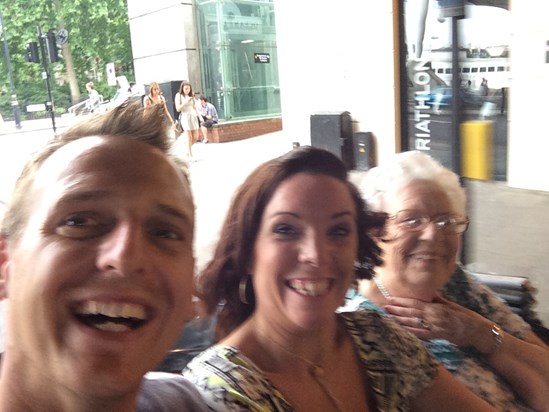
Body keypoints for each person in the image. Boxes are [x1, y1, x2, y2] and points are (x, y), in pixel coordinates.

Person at [183, 146, 496, 411]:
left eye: (338, 231)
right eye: (286, 230)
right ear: (248, 252)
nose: (316, 255)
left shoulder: (378, 338)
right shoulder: (218, 392)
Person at [0, 101, 208, 411]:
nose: (126, 257)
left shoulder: (188, 403)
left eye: (165, 233)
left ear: (191, 285)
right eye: (78, 222)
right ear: (6, 266)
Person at [349, 150, 549, 411]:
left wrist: (478, 333)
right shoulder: (366, 328)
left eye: (445, 221)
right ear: (374, 231)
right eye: (411, 220)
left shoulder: (457, 284)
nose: (433, 234)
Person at [174, 81, 201, 160]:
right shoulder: (178, 96)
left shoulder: (191, 96)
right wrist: (186, 102)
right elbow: (178, 109)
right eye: (185, 88)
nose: (187, 90)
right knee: (189, 136)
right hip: (185, 116)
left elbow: (194, 107)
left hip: (193, 116)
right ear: (182, 88)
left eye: (188, 88)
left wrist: (199, 116)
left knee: (196, 136)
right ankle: (190, 155)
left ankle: (187, 149)